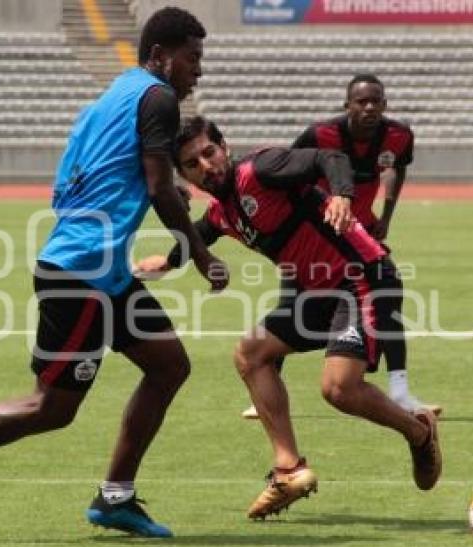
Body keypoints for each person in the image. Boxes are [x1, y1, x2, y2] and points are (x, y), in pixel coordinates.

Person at [0, 8, 228, 538]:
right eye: (193, 57)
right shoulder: (156, 97)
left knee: (168, 366)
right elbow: (159, 186)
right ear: (160, 55)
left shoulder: (114, 96)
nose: (198, 70)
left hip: (102, 272)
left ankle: (116, 497)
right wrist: (201, 255)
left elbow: (84, 177)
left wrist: (154, 191)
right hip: (82, 274)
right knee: (50, 408)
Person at [134, 116, 441, 519]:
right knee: (250, 353)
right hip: (319, 294)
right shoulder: (222, 210)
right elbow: (199, 234)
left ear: (223, 146)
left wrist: (343, 196)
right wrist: (171, 259)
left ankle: (418, 432)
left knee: (338, 389)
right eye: (192, 164)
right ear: (184, 174)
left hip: (363, 280)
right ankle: (288, 469)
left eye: (209, 152)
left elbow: (328, 157)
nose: (206, 166)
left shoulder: (260, 170)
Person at [240, 73, 440, 420]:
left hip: (359, 240)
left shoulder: (399, 136)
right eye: (361, 101)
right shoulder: (320, 135)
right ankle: (264, 393)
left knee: (387, 302)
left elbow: (397, 169)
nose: (369, 107)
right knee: (291, 304)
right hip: (316, 241)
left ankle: (401, 392)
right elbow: (290, 171)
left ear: (385, 105)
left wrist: (386, 217)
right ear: (346, 105)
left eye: (376, 100)